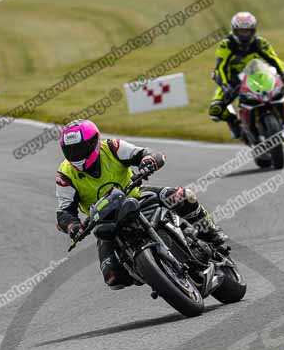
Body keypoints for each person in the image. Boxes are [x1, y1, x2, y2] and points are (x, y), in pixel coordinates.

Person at [55, 119, 227, 290]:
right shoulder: (65, 175)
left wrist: (149, 161)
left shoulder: (112, 147)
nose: (76, 154)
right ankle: (145, 270)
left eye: (80, 148)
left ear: (95, 142)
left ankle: (211, 232)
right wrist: (72, 226)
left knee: (182, 196)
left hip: (135, 196)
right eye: (70, 151)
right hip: (104, 220)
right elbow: (64, 211)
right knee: (113, 278)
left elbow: (148, 153)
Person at [209, 11, 284, 139]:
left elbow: (275, 59)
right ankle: (234, 122)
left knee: (282, 90)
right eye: (241, 31)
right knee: (215, 110)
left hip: (257, 76)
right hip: (233, 81)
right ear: (234, 31)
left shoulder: (260, 43)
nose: (245, 35)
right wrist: (225, 85)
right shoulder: (226, 45)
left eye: (248, 31)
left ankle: (283, 119)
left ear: (253, 30)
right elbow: (220, 67)